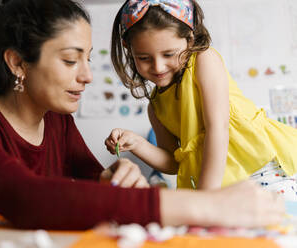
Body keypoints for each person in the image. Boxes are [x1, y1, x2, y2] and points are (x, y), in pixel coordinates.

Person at [0, 0, 284, 232]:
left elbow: (96, 178)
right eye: (71, 60)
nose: (87, 76)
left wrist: (117, 172)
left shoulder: (57, 122)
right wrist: (195, 205)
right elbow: (25, 197)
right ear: (18, 62)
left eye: (87, 60)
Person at [105, 0, 297, 198]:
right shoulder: (155, 107)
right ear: (129, 49)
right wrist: (137, 143)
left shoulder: (204, 60)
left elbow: (218, 129)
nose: (158, 67)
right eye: (144, 58)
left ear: (189, 39)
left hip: (261, 167)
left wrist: (204, 199)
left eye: (168, 54)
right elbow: (172, 162)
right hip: (223, 186)